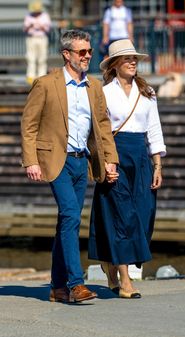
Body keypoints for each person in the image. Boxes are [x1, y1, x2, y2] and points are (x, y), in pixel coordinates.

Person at [21, 29, 119, 303]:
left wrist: (110, 159)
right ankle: (76, 284)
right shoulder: (46, 84)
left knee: (67, 222)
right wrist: (30, 160)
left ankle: (57, 286)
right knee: (70, 216)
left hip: (81, 162)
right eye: (82, 52)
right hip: (56, 160)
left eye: (89, 51)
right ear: (67, 54)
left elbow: (102, 125)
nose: (87, 56)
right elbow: (28, 125)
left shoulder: (94, 86)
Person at [88, 39, 166, 299]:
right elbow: (99, 131)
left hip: (141, 158)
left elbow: (154, 128)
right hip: (116, 154)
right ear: (114, 65)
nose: (133, 62)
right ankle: (124, 280)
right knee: (123, 218)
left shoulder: (147, 92)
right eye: (127, 59)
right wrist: (106, 161)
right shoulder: (104, 92)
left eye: (135, 59)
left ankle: (110, 264)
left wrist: (157, 164)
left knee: (144, 214)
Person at [23, 0, 51, 85]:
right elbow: (25, 29)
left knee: (42, 58)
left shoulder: (45, 16)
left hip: (42, 38)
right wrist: (31, 25)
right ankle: (31, 76)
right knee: (31, 58)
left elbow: (48, 29)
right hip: (31, 38)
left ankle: (42, 76)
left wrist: (41, 26)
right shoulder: (28, 16)